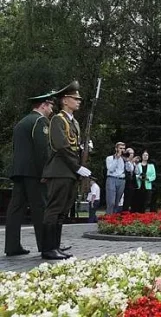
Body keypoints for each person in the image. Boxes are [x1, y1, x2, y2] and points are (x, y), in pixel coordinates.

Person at [41, 81, 91, 260]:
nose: (78, 101)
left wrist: (84, 149)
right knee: (54, 210)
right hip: (60, 170)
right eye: (74, 98)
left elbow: (73, 146)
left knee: (62, 211)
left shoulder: (74, 122)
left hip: (69, 172)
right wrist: (77, 167)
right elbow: (61, 146)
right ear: (65, 100)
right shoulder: (57, 120)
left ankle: (55, 246)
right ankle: (48, 249)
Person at [4, 89, 55, 256]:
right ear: (43, 105)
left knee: (15, 210)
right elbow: (42, 151)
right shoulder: (40, 121)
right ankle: (46, 246)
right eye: (50, 106)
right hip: (34, 173)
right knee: (40, 208)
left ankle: (12, 246)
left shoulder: (22, 122)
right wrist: (45, 172)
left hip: (19, 172)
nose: (51, 110)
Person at [105, 142, 127, 214]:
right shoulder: (110, 158)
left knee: (117, 202)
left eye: (123, 148)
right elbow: (110, 169)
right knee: (111, 202)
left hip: (121, 180)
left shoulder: (124, 159)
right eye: (120, 148)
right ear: (116, 149)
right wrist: (117, 158)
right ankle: (109, 217)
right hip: (112, 179)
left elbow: (130, 169)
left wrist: (129, 160)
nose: (122, 150)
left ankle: (113, 218)